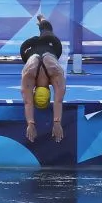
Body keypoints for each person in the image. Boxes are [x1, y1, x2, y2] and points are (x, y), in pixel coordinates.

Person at [19, 15, 65, 143]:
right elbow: (28, 103)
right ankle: (42, 21)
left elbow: (58, 101)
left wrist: (57, 122)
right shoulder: (29, 76)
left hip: (51, 46)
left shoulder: (56, 74)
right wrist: (30, 124)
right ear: (34, 92)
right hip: (28, 49)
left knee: (47, 31)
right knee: (46, 30)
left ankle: (43, 22)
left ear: (49, 93)